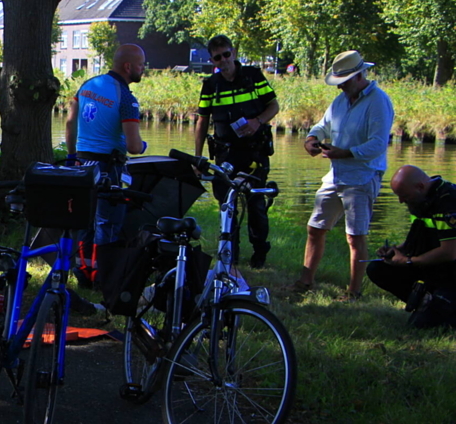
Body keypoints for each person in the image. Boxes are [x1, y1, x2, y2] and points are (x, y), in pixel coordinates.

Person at [291, 50, 395, 300]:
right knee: (315, 227)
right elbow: (323, 125)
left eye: (344, 82)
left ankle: (354, 291)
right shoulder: (341, 101)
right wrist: (312, 138)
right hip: (335, 175)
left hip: (362, 176)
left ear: (359, 77)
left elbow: (377, 145)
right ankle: (305, 282)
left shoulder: (378, 101)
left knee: (354, 236)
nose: (340, 87)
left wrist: (345, 152)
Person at [193, 35, 280, 268]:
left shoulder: (252, 76)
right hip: (225, 154)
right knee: (226, 206)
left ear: (233, 52)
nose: (224, 61)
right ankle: (232, 256)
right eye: (218, 57)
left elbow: (274, 105)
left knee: (255, 203)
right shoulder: (211, 85)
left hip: (255, 151)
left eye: (226, 54)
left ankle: (260, 251)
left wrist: (257, 121)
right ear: (213, 60)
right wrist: (198, 157)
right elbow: (202, 120)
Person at [65, 43, 148, 247]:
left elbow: (70, 123)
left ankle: (82, 271)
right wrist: (144, 145)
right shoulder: (127, 99)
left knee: (84, 221)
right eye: (141, 65)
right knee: (107, 225)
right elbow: (134, 147)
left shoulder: (87, 86)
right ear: (128, 67)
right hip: (108, 169)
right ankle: (103, 273)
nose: (143, 69)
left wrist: (72, 157)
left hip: (82, 164)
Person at [367, 165, 456, 328]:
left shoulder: (447, 202)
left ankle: (440, 305)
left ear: (420, 187)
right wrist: (397, 250)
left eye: (404, 196)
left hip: (451, 272)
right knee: (377, 269)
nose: (401, 201)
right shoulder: (420, 200)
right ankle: (426, 301)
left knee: (423, 326)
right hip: (434, 268)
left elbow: (450, 252)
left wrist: (409, 261)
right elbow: (418, 238)